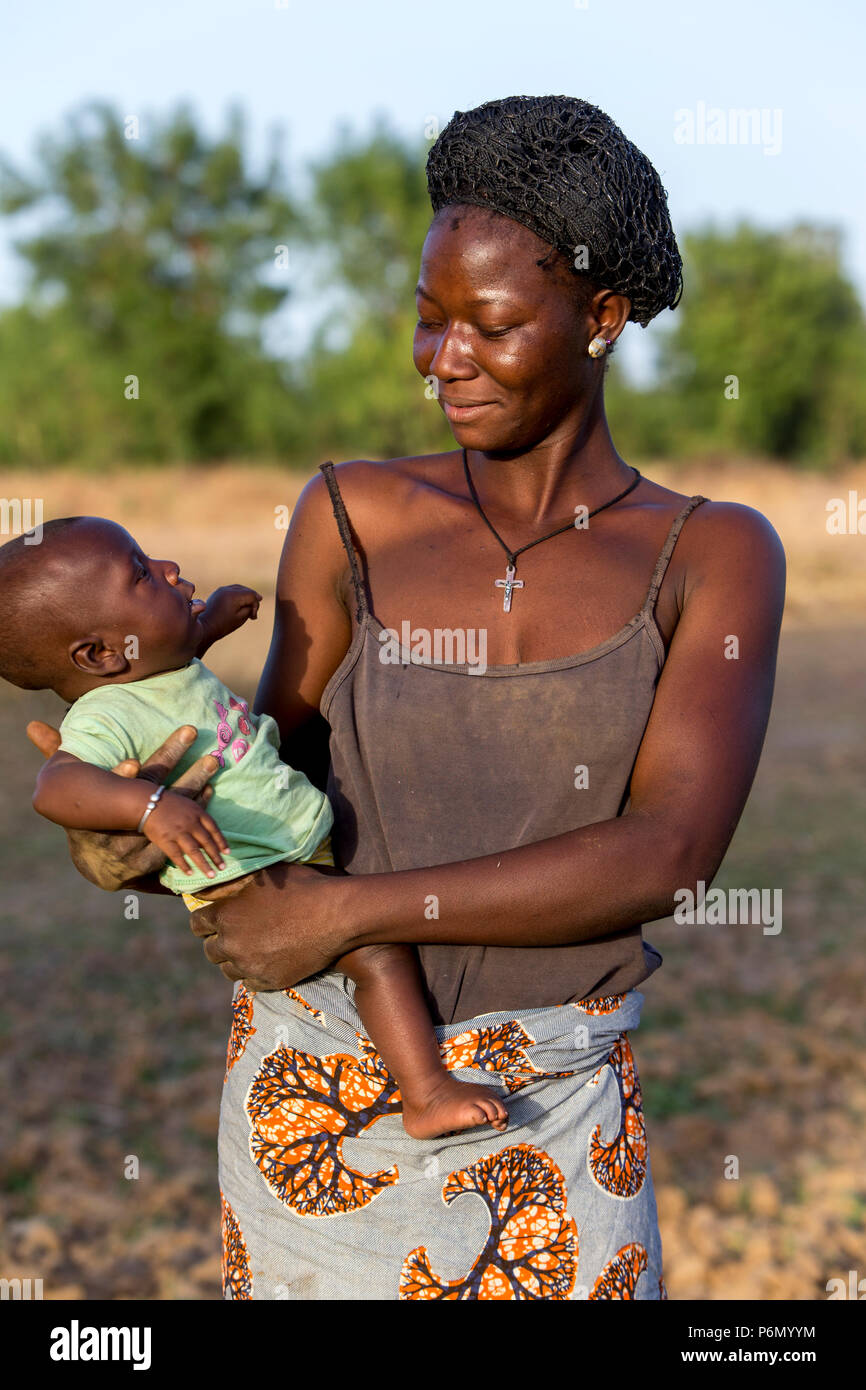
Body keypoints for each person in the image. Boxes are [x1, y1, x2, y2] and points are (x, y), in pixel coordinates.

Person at [24, 94, 785, 1300]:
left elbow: (668, 851)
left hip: (560, 1089)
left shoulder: (710, 551)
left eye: (487, 325)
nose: (442, 361)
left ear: (600, 318)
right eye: (427, 321)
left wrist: (345, 912)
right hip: (319, 1082)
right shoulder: (350, 514)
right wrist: (113, 824)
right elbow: (260, 766)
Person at [0, 517, 508, 1137]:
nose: (165, 567)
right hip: (255, 877)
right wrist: (150, 808)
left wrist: (210, 619)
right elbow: (56, 786)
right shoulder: (105, 716)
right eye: (140, 573)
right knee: (374, 950)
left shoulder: (156, 669)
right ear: (101, 655)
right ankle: (425, 1092)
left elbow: (183, 667)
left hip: (286, 844)